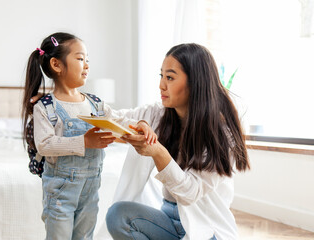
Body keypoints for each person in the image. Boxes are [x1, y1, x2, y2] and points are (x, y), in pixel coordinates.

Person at [105, 43, 250, 240]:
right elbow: (114, 118)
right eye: (161, 76)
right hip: (168, 219)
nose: (161, 85)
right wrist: (79, 100)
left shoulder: (221, 132)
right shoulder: (158, 114)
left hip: (206, 226)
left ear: (195, 82)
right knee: (118, 215)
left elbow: (190, 193)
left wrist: (158, 152)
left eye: (170, 77)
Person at [21, 32, 157, 240]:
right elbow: (45, 145)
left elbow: (118, 120)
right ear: (57, 65)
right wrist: (84, 141)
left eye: (87, 60)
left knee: (85, 236)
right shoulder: (46, 107)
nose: (87, 65)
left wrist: (139, 124)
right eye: (80, 58)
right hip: (60, 192)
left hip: (91, 188)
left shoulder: (95, 103)